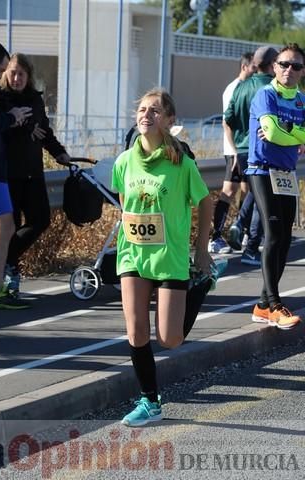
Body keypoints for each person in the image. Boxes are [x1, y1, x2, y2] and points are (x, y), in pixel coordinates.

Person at [112, 88, 213, 427]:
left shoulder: (180, 163)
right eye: (142, 109)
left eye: (154, 110)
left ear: (169, 120)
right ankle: (150, 401)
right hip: (134, 256)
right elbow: (125, 202)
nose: (146, 115)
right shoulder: (124, 161)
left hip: (169, 257)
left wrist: (200, 250)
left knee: (169, 339)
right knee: (136, 331)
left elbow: (205, 201)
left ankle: (201, 284)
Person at [0, 53, 71, 295]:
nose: (16, 78)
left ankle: (3, 258)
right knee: (12, 225)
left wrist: (60, 153)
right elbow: (0, 131)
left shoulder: (35, 100)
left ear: (28, 77)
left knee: (41, 220)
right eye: (13, 73)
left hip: (33, 172)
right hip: (8, 174)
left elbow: (45, 132)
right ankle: (9, 276)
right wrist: (27, 127)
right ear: (5, 73)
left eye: (21, 74)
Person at [247, 43, 305, 329]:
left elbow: (281, 133)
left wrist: (289, 131)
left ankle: (261, 305)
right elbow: (269, 132)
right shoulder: (265, 95)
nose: (288, 70)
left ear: (302, 72)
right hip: (261, 170)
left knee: (284, 239)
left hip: (286, 174)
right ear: (274, 67)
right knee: (272, 234)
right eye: (284, 64)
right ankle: (274, 303)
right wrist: (297, 136)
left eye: (295, 66)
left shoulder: (301, 101)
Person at [0, 41, 33, 309]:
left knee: (4, 227)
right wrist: (10, 118)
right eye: (1, 70)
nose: (1, 76)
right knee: (5, 227)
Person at [224, 46, 279, 265]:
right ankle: (251, 247)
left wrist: (235, 150)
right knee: (261, 198)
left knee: (256, 194)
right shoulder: (272, 88)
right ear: (273, 63)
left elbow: (227, 119)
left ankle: (240, 224)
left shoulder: (242, 86)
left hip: (242, 150)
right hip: (264, 149)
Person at [209, 52, 256, 254]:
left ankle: (242, 231)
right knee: (229, 191)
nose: (257, 71)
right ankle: (215, 237)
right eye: (254, 67)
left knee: (249, 190)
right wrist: (235, 152)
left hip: (247, 150)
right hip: (234, 150)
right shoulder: (234, 88)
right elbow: (226, 122)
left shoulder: (251, 88)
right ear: (245, 67)